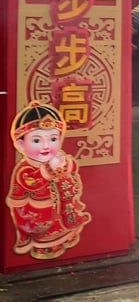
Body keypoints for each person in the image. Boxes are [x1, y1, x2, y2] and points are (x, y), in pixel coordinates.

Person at [6, 102, 93, 260]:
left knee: (65, 224)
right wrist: (49, 170)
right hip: (39, 212)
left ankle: (67, 237)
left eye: (53, 139)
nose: (46, 146)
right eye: (37, 141)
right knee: (47, 234)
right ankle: (47, 248)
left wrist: (64, 164)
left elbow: (71, 169)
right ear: (21, 144)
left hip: (62, 206)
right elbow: (32, 182)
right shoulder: (25, 168)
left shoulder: (57, 158)